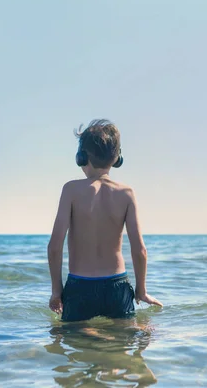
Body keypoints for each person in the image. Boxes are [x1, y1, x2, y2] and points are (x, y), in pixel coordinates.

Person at [47, 119, 163, 322]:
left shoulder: (71, 190)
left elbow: (55, 247)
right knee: (122, 344)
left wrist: (57, 293)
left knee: (75, 342)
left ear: (81, 157)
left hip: (80, 286)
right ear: (117, 158)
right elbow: (140, 251)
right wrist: (141, 290)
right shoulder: (126, 193)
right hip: (116, 287)